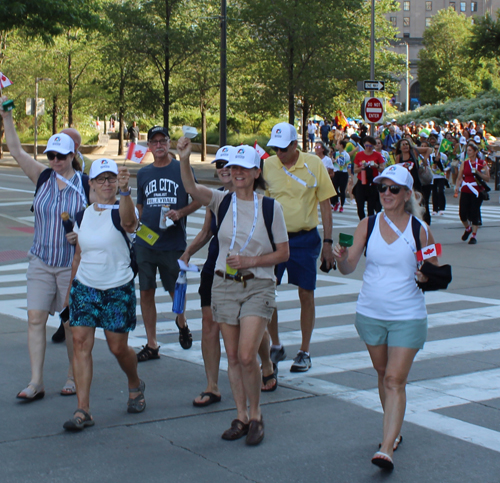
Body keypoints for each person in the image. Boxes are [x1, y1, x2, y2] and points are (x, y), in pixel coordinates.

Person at [178, 140, 289, 445]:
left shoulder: (270, 207)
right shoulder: (221, 201)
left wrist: (251, 261)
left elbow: (283, 253)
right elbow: (191, 188)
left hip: (258, 284)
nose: (236, 173)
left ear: (256, 172)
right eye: (233, 168)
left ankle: (256, 416)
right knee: (233, 357)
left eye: (244, 168)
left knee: (245, 353)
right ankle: (240, 416)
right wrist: (185, 159)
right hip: (223, 284)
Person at [333, 164, 439, 471]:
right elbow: (349, 267)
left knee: (395, 379)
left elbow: (434, 269)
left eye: (394, 189)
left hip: (407, 314)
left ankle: (386, 446)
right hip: (371, 313)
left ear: (407, 194)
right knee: (382, 373)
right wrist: (341, 259)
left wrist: (424, 276)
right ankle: (394, 429)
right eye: (382, 188)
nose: (386, 194)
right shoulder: (366, 224)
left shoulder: (420, 229)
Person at [1, 97, 87, 400]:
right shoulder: (43, 177)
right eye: (51, 155)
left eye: (61, 156)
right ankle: (36, 381)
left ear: (73, 155)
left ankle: (72, 376)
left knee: (71, 325)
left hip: (70, 265)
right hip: (40, 260)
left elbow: (107, 221)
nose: (55, 160)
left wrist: (82, 236)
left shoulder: (86, 185)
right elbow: (16, 150)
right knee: (35, 319)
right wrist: (7, 116)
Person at [63, 159, 144, 431]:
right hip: (85, 287)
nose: (106, 184)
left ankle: (134, 382)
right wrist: (70, 290)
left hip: (117, 288)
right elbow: (78, 256)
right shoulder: (82, 215)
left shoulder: (121, 208)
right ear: (92, 183)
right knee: (80, 344)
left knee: (117, 348)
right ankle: (83, 409)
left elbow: (130, 223)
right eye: (101, 179)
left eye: (111, 178)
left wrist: (125, 191)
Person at [264, 122, 335, 372]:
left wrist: (328, 242)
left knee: (306, 292)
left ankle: (304, 350)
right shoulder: (267, 166)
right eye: (276, 149)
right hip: (274, 239)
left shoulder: (314, 164)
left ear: (295, 144)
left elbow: (325, 205)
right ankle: (275, 344)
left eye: (284, 149)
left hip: (305, 238)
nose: (279, 154)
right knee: (267, 291)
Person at [135, 126, 201, 361]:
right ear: (149, 146)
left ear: (170, 143)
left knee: (177, 291)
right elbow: (140, 205)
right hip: (145, 241)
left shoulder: (181, 168)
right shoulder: (143, 173)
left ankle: (181, 322)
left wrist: (180, 213)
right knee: (145, 291)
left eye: (163, 140)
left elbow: (199, 200)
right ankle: (152, 343)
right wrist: (139, 226)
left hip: (172, 242)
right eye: (154, 142)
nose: (159, 145)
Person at [454, 142, 490, 245]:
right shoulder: (465, 163)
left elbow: (487, 178)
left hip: (476, 191)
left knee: (474, 213)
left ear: (475, 152)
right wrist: (457, 187)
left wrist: (478, 172)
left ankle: (474, 235)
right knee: (462, 213)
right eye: (467, 150)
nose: (468, 152)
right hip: (465, 189)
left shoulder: (482, 163)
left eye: (470, 150)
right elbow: (460, 177)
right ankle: (468, 228)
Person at [353, 136, 385, 220]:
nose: (368, 148)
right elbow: (355, 170)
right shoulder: (359, 154)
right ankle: (362, 221)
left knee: (371, 207)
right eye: (366, 145)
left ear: (373, 146)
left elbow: (383, 169)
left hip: (372, 183)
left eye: (370, 146)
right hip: (361, 181)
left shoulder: (377, 155)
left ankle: (370, 223)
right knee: (360, 205)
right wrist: (362, 168)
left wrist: (376, 165)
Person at [332, 139, 351, 212]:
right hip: (336, 172)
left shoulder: (346, 154)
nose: (336, 146)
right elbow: (332, 162)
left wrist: (350, 176)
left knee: (342, 190)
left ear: (341, 145)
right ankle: (336, 202)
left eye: (338, 144)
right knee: (334, 188)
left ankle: (342, 205)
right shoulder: (335, 153)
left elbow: (346, 164)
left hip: (343, 173)